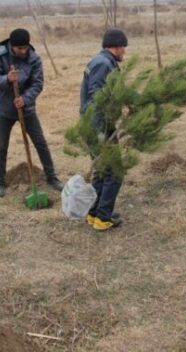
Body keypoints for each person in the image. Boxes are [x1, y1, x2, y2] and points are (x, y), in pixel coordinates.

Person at [0, 28, 63, 197]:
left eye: (25, 47)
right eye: (19, 48)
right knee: (1, 147)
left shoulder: (33, 58)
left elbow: (37, 83)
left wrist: (25, 99)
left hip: (26, 108)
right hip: (4, 109)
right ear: (11, 47)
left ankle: (52, 177)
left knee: (40, 142)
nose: (23, 51)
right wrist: (6, 79)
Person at [80, 27, 128, 231]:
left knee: (101, 171)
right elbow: (97, 100)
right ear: (115, 47)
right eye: (123, 48)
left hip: (96, 125)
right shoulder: (103, 64)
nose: (125, 52)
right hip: (99, 128)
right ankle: (103, 218)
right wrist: (102, 134)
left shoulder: (103, 61)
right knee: (114, 171)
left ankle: (94, 212)